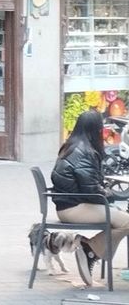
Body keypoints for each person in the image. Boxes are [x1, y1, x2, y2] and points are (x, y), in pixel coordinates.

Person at [51, 109, 129, 286]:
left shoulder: (71, 145)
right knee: (127, 221)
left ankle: (91, 250)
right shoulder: (85, 151)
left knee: (121, 218)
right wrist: (111, 194)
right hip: (75, 208)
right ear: (96, 129)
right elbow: (92, 191)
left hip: (69, 205)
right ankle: (89, 249)